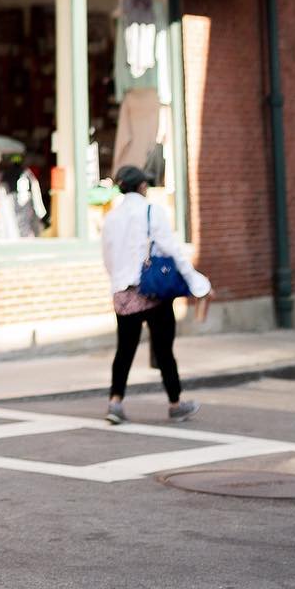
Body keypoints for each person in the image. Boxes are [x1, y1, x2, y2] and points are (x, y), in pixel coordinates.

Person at [100, 164, 209, 425]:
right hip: (153, 292)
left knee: (124, 349)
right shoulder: (152, 211)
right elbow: (172, 250)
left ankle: (115, 402)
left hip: (124, 293)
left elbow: (107, 257)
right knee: (164, 350)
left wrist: (119, 281)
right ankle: (175, 403)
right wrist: (198, 283)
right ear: (142, 187)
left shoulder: (111, 217)